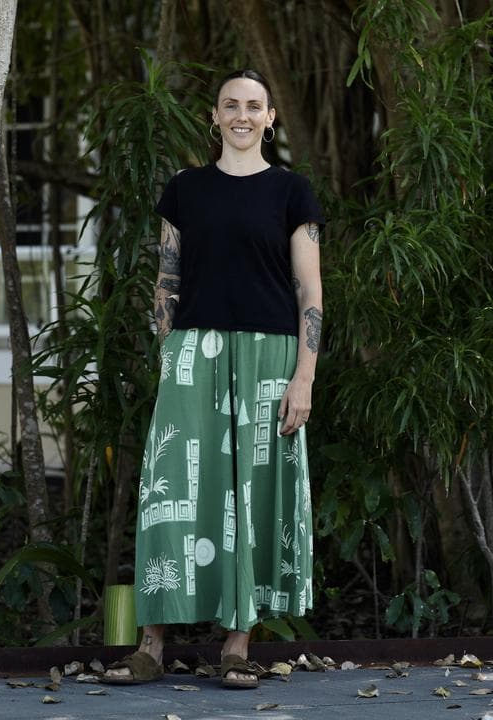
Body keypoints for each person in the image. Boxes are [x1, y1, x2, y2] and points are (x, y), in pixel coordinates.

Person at [102, 69, 324, 690]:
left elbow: (310, 289)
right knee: (171, 486)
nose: (242, 116)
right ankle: (151, 644)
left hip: (269, 355)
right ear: (215, 116)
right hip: (194, 351)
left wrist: (303, 376)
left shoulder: (292, 192)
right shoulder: (185, 189)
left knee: (250, 494)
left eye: (254, 106)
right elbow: (166, 275)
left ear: (271, 116)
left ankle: (236, 644)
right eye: (231, 106)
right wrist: (168, 344)